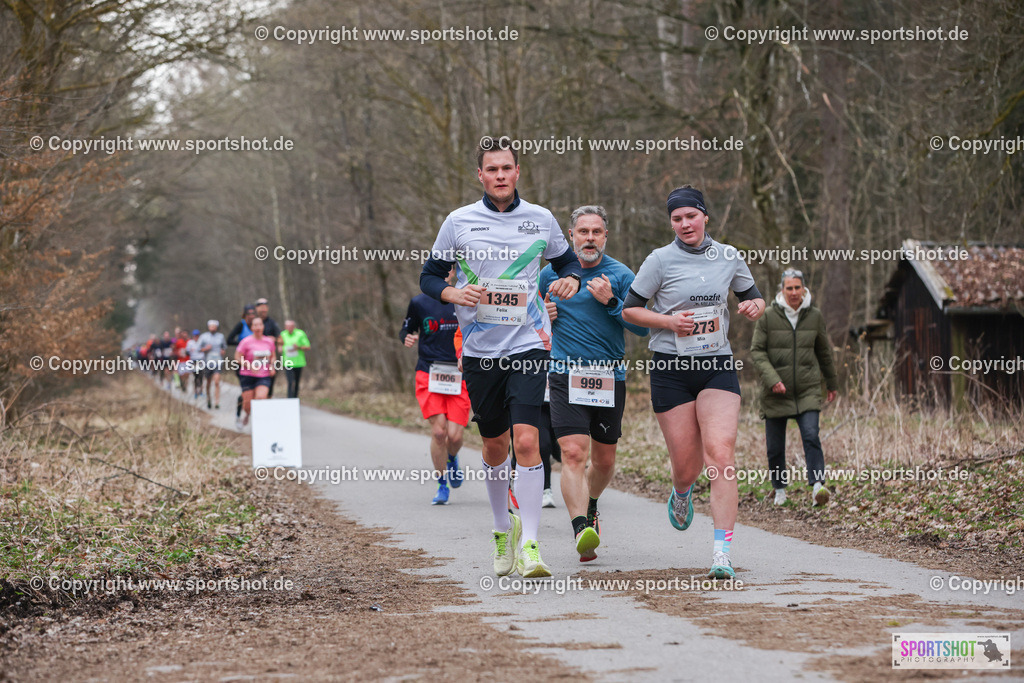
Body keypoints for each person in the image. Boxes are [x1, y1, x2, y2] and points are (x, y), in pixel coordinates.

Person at [420, 136, 583, 578]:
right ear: (480, 175)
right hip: (478, 350)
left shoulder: (541, 219)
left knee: (527, 441)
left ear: (517, 172)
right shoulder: (458, 222)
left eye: (506, 169)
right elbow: (430, 277)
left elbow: (567, 264)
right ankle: (501, 529)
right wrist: (453, 291)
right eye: (491, 170)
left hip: (528, 342)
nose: (500, 176)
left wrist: (570, 282)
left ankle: (531, 543)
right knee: (495, 446)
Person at [622, 185, 765, 580]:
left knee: (720, 455)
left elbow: (753, 297)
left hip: (717, 365)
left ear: (705, 216)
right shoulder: (659, 260)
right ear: (671, 222)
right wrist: (668, 322)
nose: (684, 224)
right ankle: (682, 491)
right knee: (687, 467)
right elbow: (629, 310)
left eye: (691, 216)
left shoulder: (729, 256)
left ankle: (722, 553)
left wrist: (756, 305)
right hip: (671, 370)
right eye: (677, 218)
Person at [540, 205, 648, 562]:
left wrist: (612, 302)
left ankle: (593, 504)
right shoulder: (548, 276)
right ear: (570, 237)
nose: (589, 238)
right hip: (564, 374)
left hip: (608, 376)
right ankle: (580, 528)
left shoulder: (620, 275)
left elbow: (644, 327)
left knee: (603, 460)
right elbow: (529, 324)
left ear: (605, 236)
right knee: (572, 453)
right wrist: (546, 317)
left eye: (596, 232)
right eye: (582, 231)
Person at [750, 268, 838, 507]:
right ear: (782, 290)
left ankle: (818, 486)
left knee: (811, 435)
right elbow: (757, 351)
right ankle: (779, 489)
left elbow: (824, 352)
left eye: (797, 287)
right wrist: (772, 379)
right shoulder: (768, 316)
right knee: (775, 446)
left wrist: (832, 383)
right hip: (775, 391)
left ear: (804, 289)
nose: (793, 292)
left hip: (808, 389)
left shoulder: (815, 316)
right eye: (789, 288)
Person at [400, 278, 470, 505]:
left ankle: (451, 457)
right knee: (439, 433)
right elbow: (406, 329)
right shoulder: (419, 302)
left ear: (454, 271)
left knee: (455, 436)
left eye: (447, 268)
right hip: (429, 373)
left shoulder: (465, 299)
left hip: (460, 373)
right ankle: (442, 485)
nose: (443, 273)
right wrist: (407, 337)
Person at [234, 316, 276, 430]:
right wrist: (249, 365)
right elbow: (237, 357)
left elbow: (273, 356)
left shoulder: (269, 341)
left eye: (260, 324)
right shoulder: (246, 342)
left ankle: (260, 426)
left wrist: (272, 366)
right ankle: (247, 414)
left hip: (263, 375)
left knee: (261, 398)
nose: (258, 327)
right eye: (255, 325)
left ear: (263, 326)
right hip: (247, 375)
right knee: (247, 404)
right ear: (252, 327)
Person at [227, 305, 257, 419]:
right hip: (241, 362)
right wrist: (243, 343)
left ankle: (250, 414)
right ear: (245, 315)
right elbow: (229, 340)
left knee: (255, 391)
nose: (251, 316)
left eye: (253, 314)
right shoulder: (241, 325)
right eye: (249, 314)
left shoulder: (257, 327)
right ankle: (239, 414)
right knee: (245, 391)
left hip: (255, 363)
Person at [254, 298, 282, 398]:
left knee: (269, 384)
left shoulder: (272, 323)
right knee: (251, 389)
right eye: (261, 308)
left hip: (268, 358)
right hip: (252, 359)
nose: (263, 310)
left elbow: (281, 339)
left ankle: (266, 405)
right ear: (256, 308)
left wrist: (274, 339)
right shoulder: (251, 322)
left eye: (265, 308)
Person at [279, 320, 311, 399]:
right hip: (287, 362)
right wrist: (280, 348)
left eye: (290, 327)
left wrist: (298, 347)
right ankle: (290, 399)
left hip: (298, 362)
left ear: (294, 326)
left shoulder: (300, 334)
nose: (289, 328)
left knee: (296, 382)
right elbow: (279, 344)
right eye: (287, 327)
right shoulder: (283, 334)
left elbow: (307, 347)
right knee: (290, 382)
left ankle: (295, 398)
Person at [198, 320, 227, 409]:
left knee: (217, 382)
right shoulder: (203, 336)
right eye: (211, 326)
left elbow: (224, 347)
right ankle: (208, 399)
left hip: (217, 362)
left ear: (217, 327)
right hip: (207, 362)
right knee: (208, 382)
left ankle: (217, 402)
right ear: (208, 327)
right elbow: (198, 349)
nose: (212, 328)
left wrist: (223, 351)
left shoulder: (221, 336)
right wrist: (206, 348)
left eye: (214, 326)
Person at [185, 329, 205, 400]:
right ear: (193, 336)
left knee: (201, 376)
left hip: (201, 361)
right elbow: (186, 352)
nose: (196, 337)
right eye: (194, 336)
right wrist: (190, 351)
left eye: (197, 336)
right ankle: (196, 392)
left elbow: (205, 349)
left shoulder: (202, 342)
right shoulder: (190, 343)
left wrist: (203, 350)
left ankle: (201, 391)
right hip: (193, 361)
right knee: (196, 377)